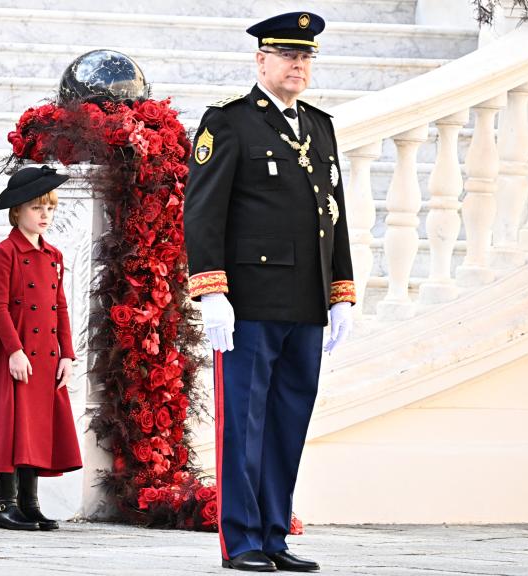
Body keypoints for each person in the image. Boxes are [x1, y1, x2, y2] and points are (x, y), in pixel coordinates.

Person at [183, 11, 355, 573]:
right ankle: (243, 540)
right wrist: (212, 291)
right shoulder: (229, 123)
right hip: (249, 303)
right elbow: (203, 213)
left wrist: (341, 292)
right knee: (245, 424)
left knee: (287, 423)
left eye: (305, 56)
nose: (298, 64)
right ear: (261, 60)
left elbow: (334, 216)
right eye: (287, 55)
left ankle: (275, 534)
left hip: (305, 303)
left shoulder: (320, 126)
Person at [0, 166, 81, 531]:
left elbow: (60, 305)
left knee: (36, 427)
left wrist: (67, 353)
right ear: (16, 211)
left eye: (49, 208)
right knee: (11, 426)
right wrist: (14, 351)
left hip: (47, 354)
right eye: (36, 208)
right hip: (14, 352)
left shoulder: (54, 255)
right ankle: (4, 504)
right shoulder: (5, 252)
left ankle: (30, 503)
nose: (44, 215)